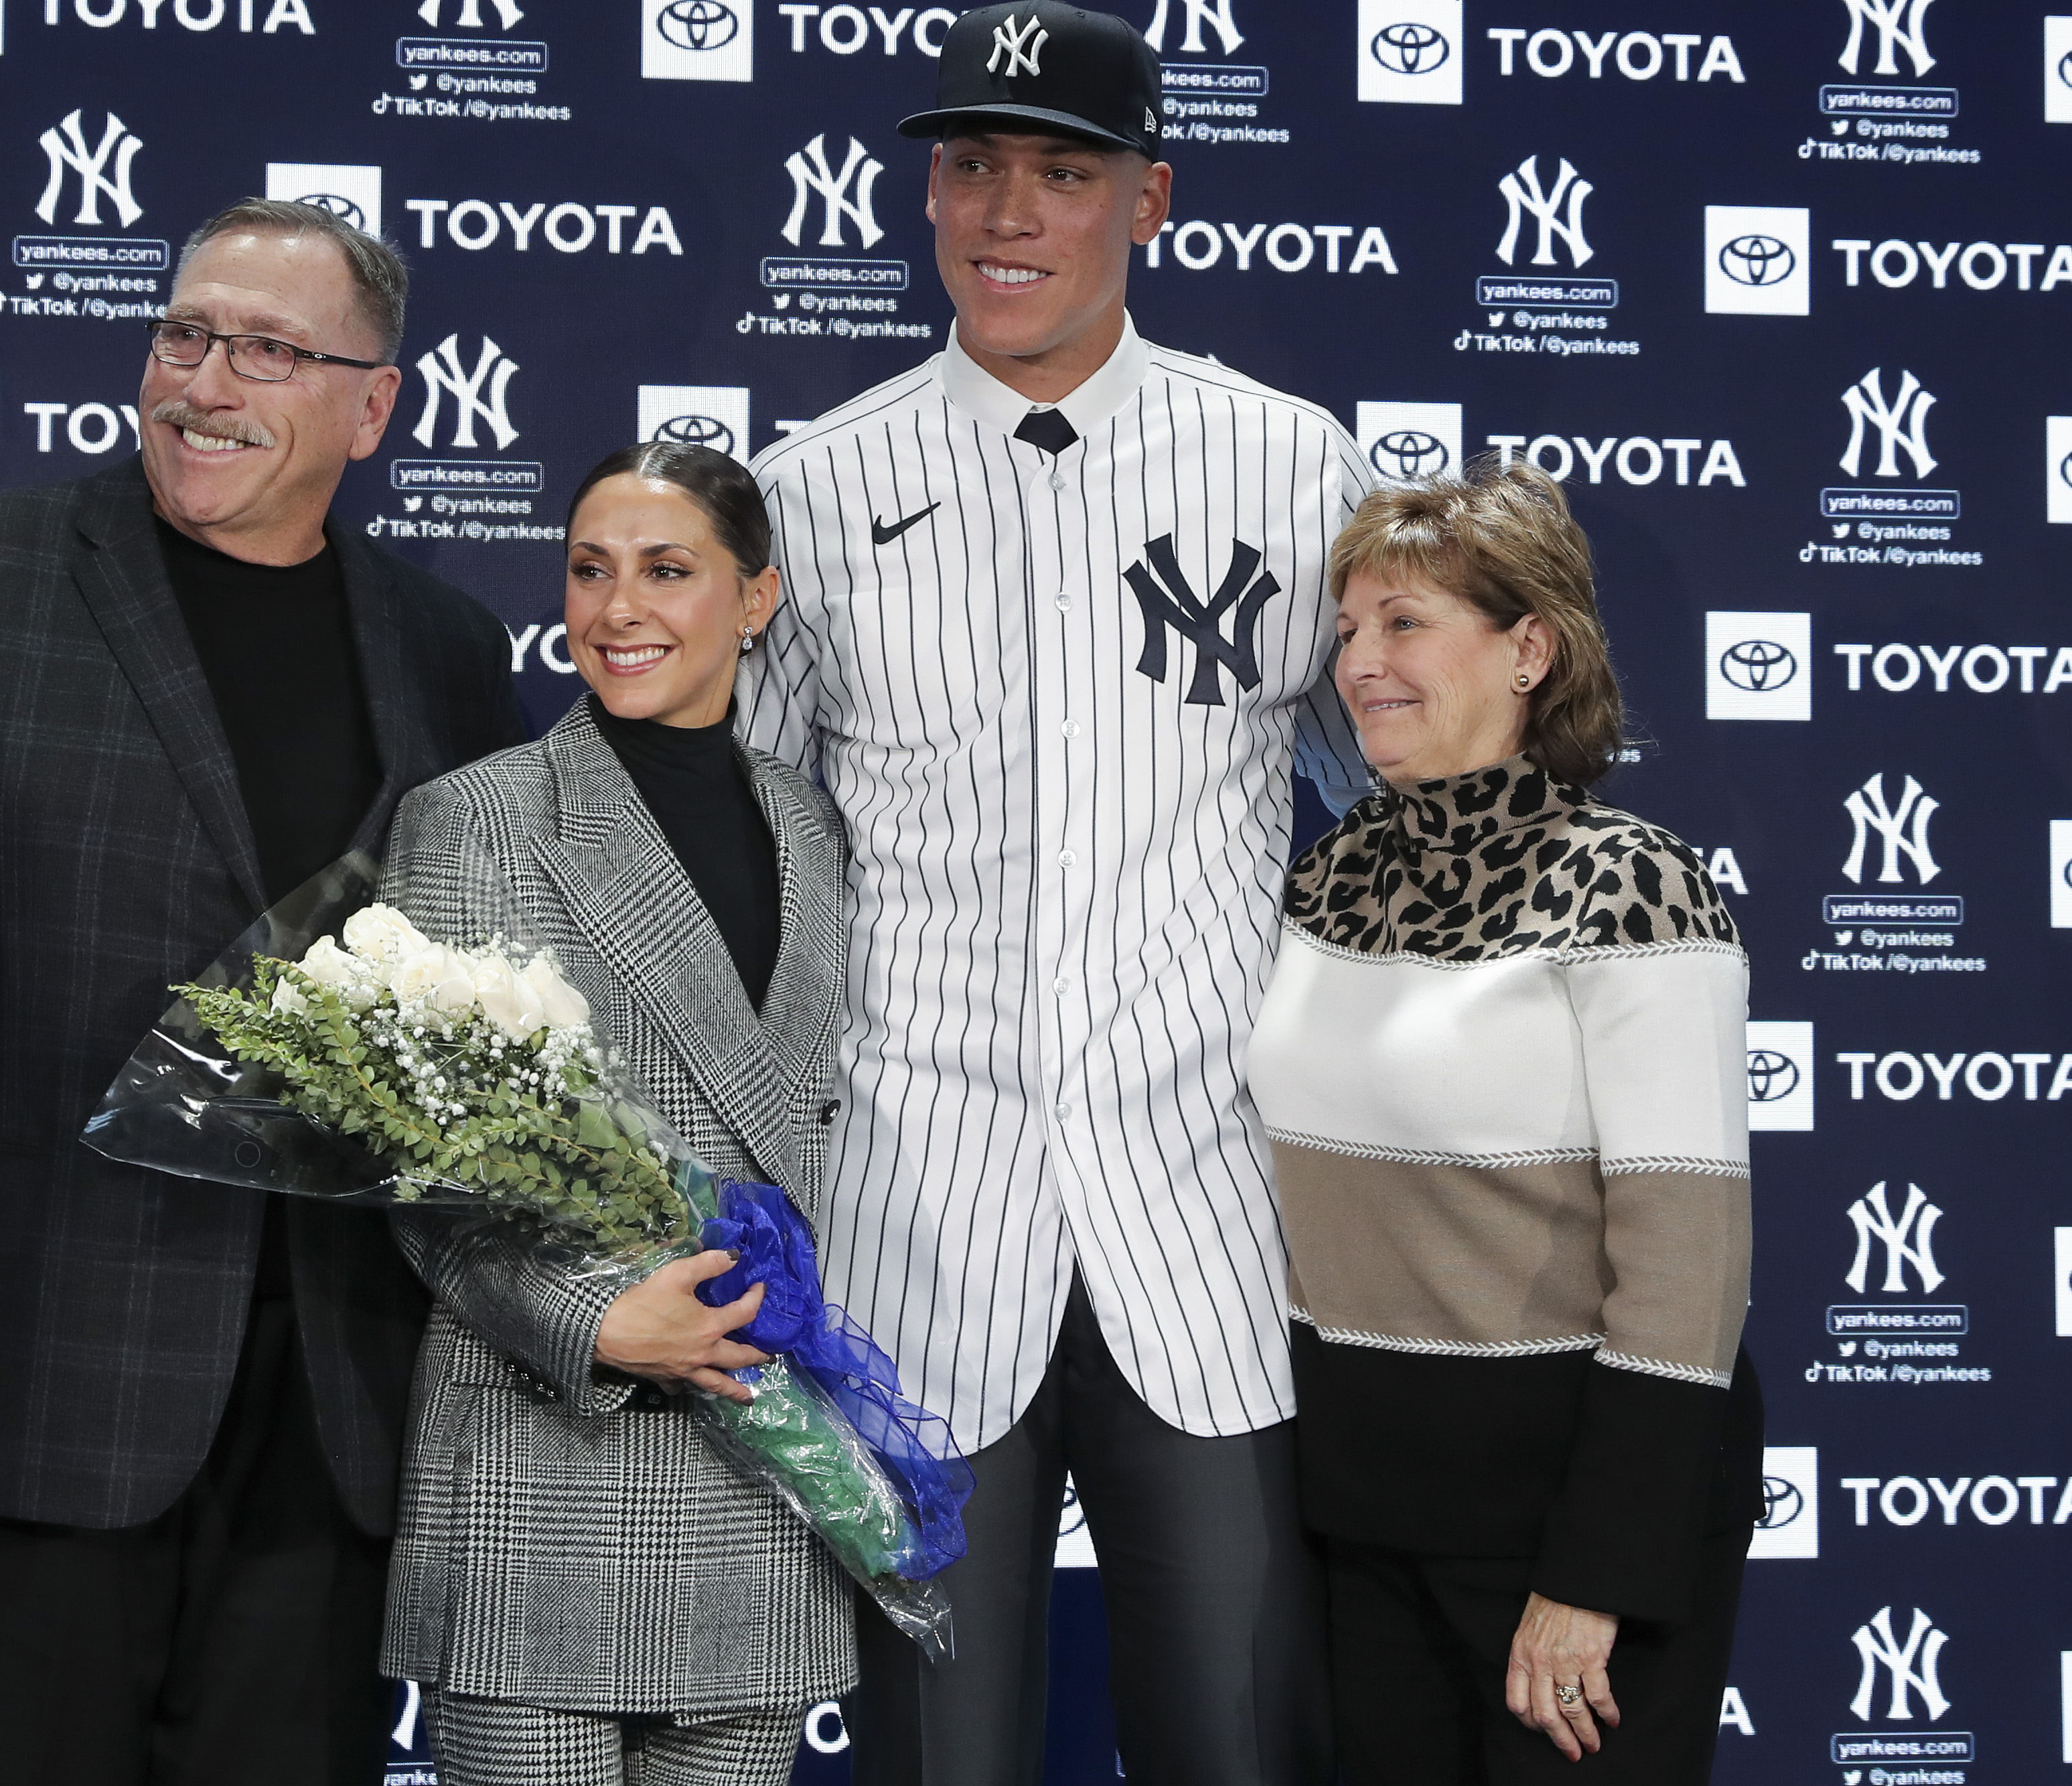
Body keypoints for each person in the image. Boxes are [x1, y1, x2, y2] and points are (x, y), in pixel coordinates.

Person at [0, 198, 524, 1785]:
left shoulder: (448, 652)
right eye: (183, 334)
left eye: (266, 348)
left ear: (373, 403)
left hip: (330, 1438)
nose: (203, 381)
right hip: (20, 1427)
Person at [737, 6, 1370, 1781]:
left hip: (1208, 1224)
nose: (1007, 212)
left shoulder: (1291, 464)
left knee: (1239, 1743)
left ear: (1151, 199)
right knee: (935, 1757)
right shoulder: (816, 484)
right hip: (914, 1231)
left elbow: (1395, 790)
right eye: (971, 164)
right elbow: (744, 861)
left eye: (1064, 171)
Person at [1250, 463, 1761, 1785]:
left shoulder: (1633, 884)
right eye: (1347, 626)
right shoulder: (1324, 874)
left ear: (1528, 646)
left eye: (1404, 621)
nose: (1359, 660)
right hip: (1356, 1523)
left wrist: (1593, 1574)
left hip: (1567, 1530)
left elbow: (1682, 1263)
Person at [378, 442, 855, 1786]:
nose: (617, 607)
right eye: (589, 570)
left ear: (753, 599)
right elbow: (429, 1161)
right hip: (549, 1454)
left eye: (666, 569)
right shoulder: (476, 818)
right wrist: (596, 1318)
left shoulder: (812, 828)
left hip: (764, 1457)